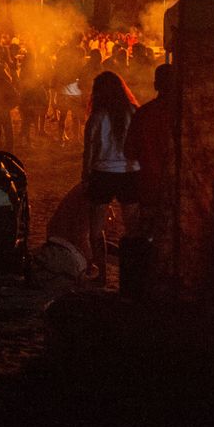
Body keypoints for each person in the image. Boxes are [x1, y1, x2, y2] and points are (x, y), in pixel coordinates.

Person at [81, 70, 140, 284]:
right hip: (130, 172)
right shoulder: (134, 111)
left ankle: (101, 274)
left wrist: (85, 175)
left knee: (95, 230)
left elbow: (89, 150)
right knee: (133, 228)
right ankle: (133, 274)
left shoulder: (97, 117)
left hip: (102, 173)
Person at [124, 62, 175, 254]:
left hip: (149, 188)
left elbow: (129, 152)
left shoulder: (143, 114)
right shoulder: (188, 113)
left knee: (150, 242)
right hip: (181, 190)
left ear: (155, 85)